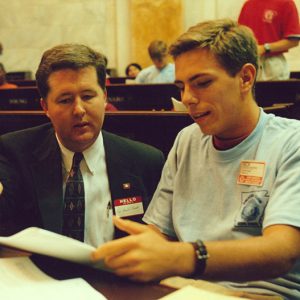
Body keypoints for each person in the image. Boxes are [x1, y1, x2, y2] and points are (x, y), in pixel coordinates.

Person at [92, 19, 300, 299]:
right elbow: (159, 233)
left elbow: (281, 251)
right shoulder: (187, 140)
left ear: (246, 78)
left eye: (202, 83)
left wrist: (182, 257)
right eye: (181, 86)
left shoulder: (291, 142)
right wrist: (131, 253)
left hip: (262, 293)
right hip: (184, 288)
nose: (188, 98)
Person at [0, 44, 165, 246]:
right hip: (42, 276)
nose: (79, 110)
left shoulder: (146, 161)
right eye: (65, 100)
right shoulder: (15, 153)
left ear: (104, 96)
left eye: (88, 97)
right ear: (45, 107)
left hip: (117, 276)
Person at [238, 0, 300, 80]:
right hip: (249, 63)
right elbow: (240, 37)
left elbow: (293, 41)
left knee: (274, 92)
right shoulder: (248, 4)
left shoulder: (286, 3)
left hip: (273, 64)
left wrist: (264, 48)